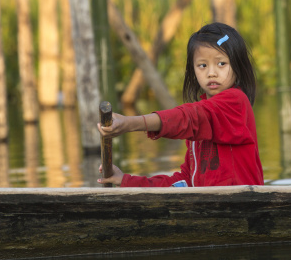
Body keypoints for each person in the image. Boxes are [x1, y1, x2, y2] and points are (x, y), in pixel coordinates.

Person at [97, 22, 264, 187]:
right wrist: (126, 180)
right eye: (202, 65)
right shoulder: (200, 126)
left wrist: (130, 123)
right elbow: (185, 181)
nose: (211, 73)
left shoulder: (236, 102)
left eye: (222, 64)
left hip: (240, 208)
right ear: (193, 69)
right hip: (210, 209)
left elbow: (190, 116)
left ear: (238, 66)